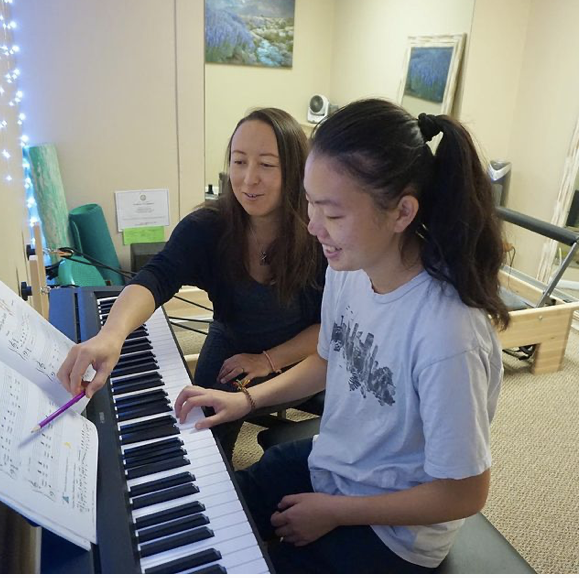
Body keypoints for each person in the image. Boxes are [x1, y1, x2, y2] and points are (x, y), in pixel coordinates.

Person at [174, 98, 511, 573]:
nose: (313, 228)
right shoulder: (350, 268)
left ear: (401, 213)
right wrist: (247, 402)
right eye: (310, 203)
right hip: (335, 461)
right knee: (206, 510)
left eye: (332, 214)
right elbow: (330, 360)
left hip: (392, 531)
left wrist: (334, 512)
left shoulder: (448, 335)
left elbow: (465, 491)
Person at [58, 107, 326, 460]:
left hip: (301, 361)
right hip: (231, 345)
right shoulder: (209, 226)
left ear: (295, 171)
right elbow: (155, 277)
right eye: (239, 161)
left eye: (266, 164)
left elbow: (333, 329)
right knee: (201, 431)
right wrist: (111, 334)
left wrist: (267, 359)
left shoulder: (319, 233)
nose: (248, 179)